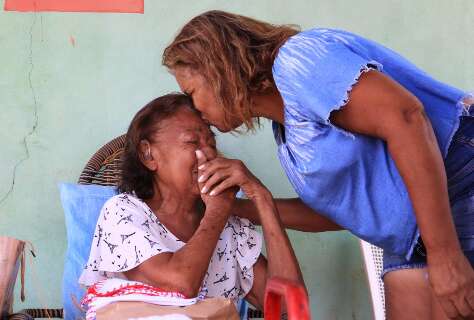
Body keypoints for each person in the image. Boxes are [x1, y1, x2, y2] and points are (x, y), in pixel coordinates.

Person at [162, 10, 474, 319]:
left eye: (192, 92)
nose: (194, 107)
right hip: (410, 235)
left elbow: (406, 118)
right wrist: (244, 202)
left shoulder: (298, 61)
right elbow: (343, 213)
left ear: (219, 70)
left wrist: (443, 251)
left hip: (457, 184)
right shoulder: (288, 136)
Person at [78, 93, 305, 312]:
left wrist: (261, 198)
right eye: (192, 142)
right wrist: (217, 210)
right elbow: (180, 287)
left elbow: (288, 308)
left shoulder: (229, 226)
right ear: (148, 155)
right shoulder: (123, 212)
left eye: (211, 143)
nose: (207, 153)